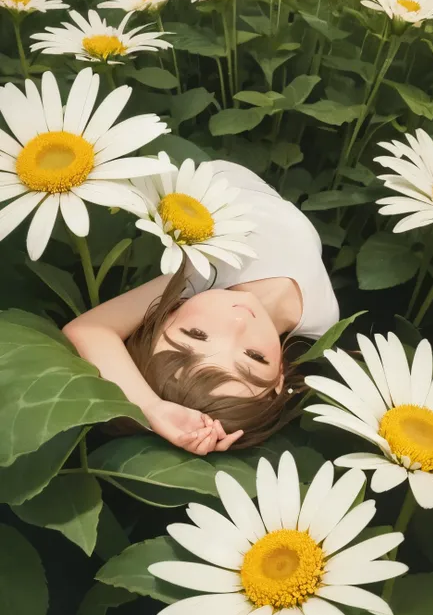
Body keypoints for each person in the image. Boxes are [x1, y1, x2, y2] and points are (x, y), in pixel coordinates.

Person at [63, 160, 339, 455]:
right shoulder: (323, 321)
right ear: (280, 374)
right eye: (254, 357)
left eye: (196, 333)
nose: (237, 324)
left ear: (167, 313)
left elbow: (88, 330)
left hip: (197, 178)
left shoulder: (199, 271)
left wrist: (151, 408)